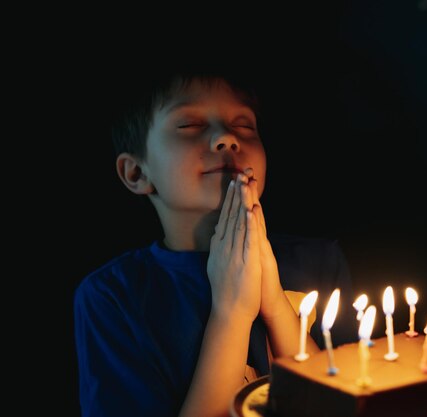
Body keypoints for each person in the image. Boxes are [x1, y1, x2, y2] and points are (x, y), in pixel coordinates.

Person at [74, 63, 358, 417]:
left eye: (244, 125)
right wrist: (232, 313)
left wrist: (275, 305)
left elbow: (351, 407)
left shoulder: (319, 261)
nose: (228, 138)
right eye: (189, 125)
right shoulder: (113, 297)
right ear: (136, 172)